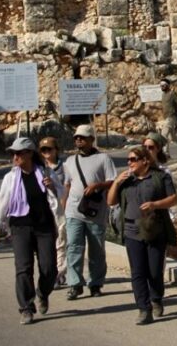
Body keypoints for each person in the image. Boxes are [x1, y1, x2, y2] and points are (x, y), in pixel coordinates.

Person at [0, 136, 63, 325]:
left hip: (44, 226)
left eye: (19, 153)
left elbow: (61, 195)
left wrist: (53, 187)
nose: (15, 157)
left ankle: (42, 292)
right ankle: (26, 308)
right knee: (23, 268)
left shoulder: (45, 172)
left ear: (29, 154)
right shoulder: (10, 178)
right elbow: (2, 202)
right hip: (20, 226)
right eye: (13, 154)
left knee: (49, 268)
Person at [108, 145, 177, 325]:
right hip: (132, 232)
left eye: (133, 159)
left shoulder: (160, 177)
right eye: (128, 160)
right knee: (138, 272)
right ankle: (143, 309)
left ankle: (156, 298)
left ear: (145, 161)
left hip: (155, 230)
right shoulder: (126, 180)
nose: (129, 163)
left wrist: (155, 204)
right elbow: (111, 201)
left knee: (154, 271)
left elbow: (174, 199)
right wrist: (116, 182)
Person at [62, 125, 117, 300]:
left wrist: (97, 186)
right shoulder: (70, 161)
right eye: (76, 137)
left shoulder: (104, 159)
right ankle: (75, 284)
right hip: (74, 211)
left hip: (95, 212)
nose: (79, 140)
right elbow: (67, 185)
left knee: (96, 249)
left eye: (83, 137)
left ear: (92, 139)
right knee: (74, 248)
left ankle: (95, 283)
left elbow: (112, 181)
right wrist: (64, 207)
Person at [38, 136, 68, 287]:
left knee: (60, 242)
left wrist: (53, 186)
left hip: (61, 210)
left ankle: (59, 273)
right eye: (43, 150)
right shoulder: (39, 168)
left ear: (56, 150)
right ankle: (51, 273)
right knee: (46, 245)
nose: (46, 152)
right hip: (44, 211)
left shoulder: (65, 167)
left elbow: (65, 189)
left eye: (49, 149)